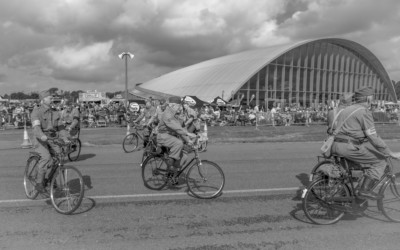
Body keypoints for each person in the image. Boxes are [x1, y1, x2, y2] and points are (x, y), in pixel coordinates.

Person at [331, 86, 400, 200]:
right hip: (348, 147)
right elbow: (373, 137)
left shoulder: (347, 109)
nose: (372, 101)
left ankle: (346, 196)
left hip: (336, 145)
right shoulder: (363, 112)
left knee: (356, 171)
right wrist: (390, 153)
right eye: (372, 98)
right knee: (380, 161)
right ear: (368, 98)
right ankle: (363, 190)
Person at [157, 96, 196, 179]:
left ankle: (172, 175)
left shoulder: (174, 115)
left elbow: (180, 129)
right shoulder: (167, 114)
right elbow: (176, 127)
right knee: (178, 143)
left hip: (169, 136)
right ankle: (170, 168)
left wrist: (189, 141)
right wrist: (188, 134)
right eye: (179, 105)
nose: (180, 107)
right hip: (163, 136)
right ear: (173, 105)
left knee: (184, 157)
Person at [30, 90, 62, 192]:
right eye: (50, 98)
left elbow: (61, 127)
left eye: (52, 98)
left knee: (59, 156)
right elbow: (36, 127)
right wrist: (42, 136)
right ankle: (39, 183)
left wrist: (66, 138)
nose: (52, 99)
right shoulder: (36, 111)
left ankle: (51, 179)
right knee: (46, 157)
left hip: (51, 138)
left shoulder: (54, 112)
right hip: (40, 138)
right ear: (43, 99)